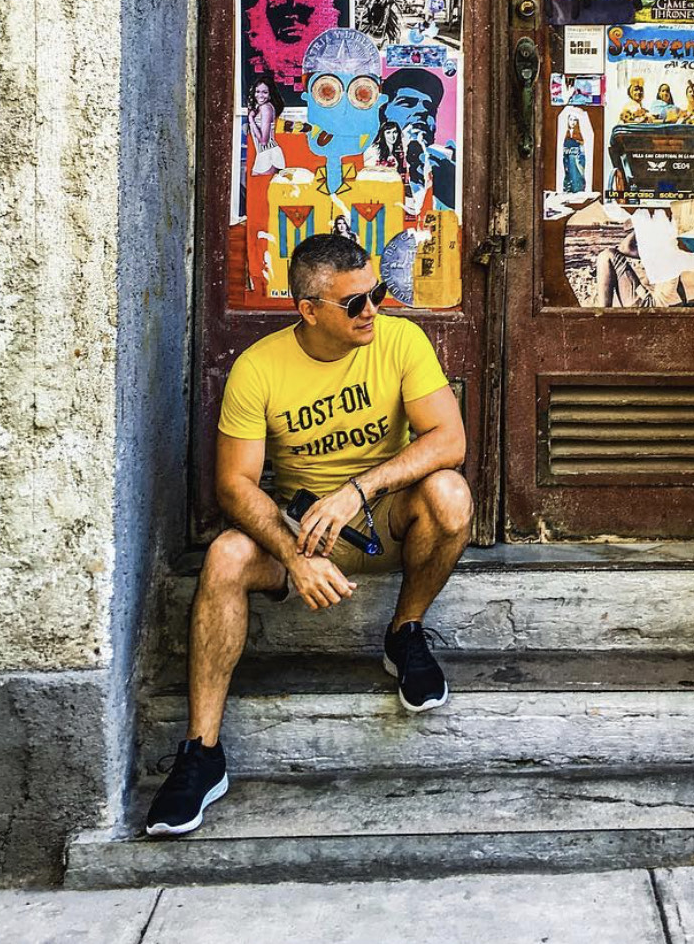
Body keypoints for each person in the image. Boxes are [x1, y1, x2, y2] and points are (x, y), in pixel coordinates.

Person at [145, 233, 472, 838]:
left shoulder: (401, 341)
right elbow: (235, 486)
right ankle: (202, 752)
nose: (371, 310)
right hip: (306, 534)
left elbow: (448, 442)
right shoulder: (259, 367)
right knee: (223, 555)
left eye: (375, 293)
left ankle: (404, 633)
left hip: (385, 519)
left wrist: (359, 488)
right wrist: (292, 553)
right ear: (310, 310)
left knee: (451, 494)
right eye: (354, 303)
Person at [372, 67, 457, 211]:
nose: (422, 111)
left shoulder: (446, 168)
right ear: (383, 113)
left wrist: (450, 188)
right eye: (407, 103)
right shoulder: (364, 161)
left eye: (430, 108)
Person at [246, 78, 286, 176]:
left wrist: (251, 120)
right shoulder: (262, 108)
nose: (260, 95)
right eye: (258, 91)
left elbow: (263, 141)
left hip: (268, 154)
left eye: (265, 92)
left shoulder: (266, 108)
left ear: (270, 95)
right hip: (265, 153)